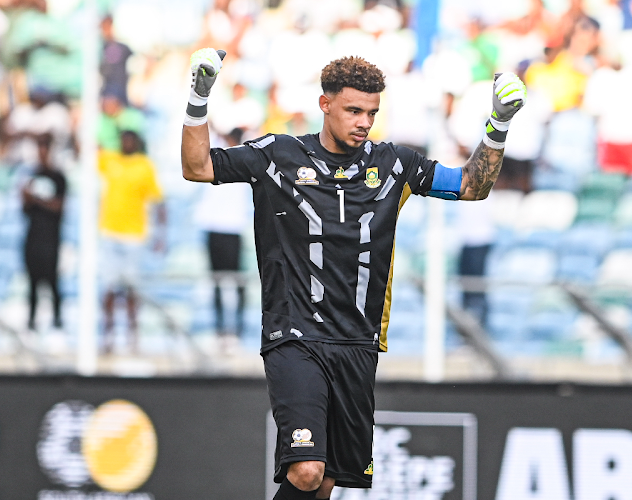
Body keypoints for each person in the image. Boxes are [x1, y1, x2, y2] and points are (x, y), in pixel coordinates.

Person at [181, 49, 526, 499]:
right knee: (305, 469)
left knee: (324, 484)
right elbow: (197, 167)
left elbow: (469, 187)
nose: (364, 122)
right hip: (295, 336)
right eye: (354, 110)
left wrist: (498, 123)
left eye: (372, 112)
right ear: (325, 105)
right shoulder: (277, 155)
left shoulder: (394, 165)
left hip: (359, 342)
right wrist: (198, 97)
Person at [98, 130, 165, 353]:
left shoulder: (144, 166)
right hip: (110, 232)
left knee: (131, 289)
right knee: (108, 287)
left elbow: (158, 201)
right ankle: (107, 336)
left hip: (134, 236)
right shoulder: (110, 160)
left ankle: (131, 336)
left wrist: (160, 235)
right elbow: (89, 147)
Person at [192, 127, 250, 348]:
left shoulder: (243, 160)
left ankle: (236, 329)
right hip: (216, 225)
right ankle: (221, 330)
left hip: (231, 227)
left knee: (235, 281)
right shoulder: (217, 156)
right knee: (217, 280)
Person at [21, 133, 66, 333]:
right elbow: (24, 210)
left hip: (51, 238)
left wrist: (36, 198)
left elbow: (59, 206)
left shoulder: (58, 177)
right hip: (33, 236)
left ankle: (57, 321)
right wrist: (25, 198)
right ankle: (31, 322)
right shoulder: (30, 177)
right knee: (32, 281)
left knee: (52, 281)